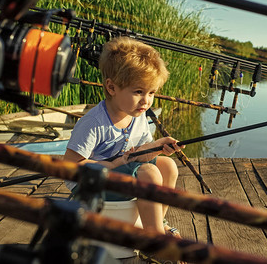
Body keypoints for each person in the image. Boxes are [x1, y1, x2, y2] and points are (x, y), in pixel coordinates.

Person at [64, 36, 184, 239]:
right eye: (138, 92)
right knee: (150, 174)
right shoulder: (93, 123)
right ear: (112, 88)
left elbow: (138, 155)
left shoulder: (137, 114)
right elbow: (70, 168)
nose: (146, 101)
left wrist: (156, 147)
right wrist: (112, 165)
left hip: (121, 176)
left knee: (168, 166)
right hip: (90, 187)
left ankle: (158, 225)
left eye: (152, 92)